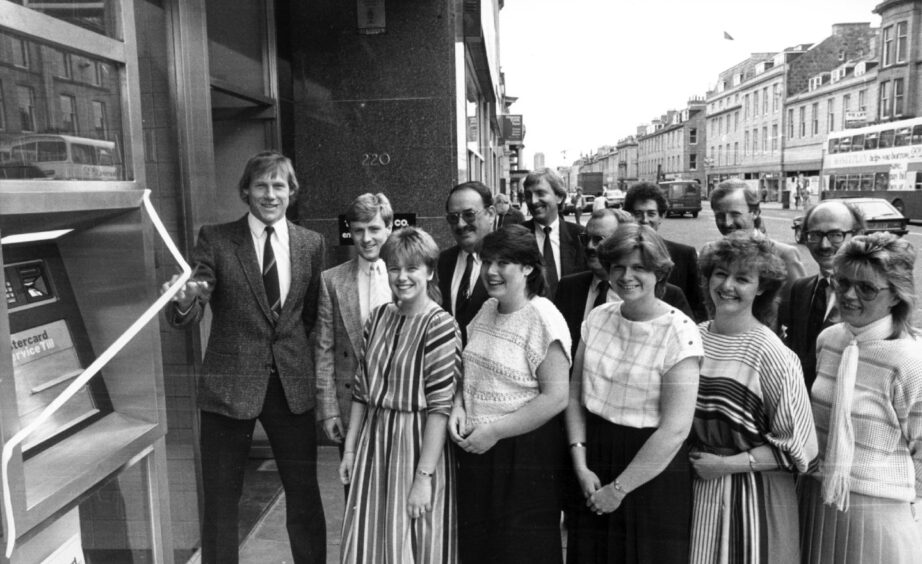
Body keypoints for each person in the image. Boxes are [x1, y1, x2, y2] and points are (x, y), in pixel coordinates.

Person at [162, 151, 326, 564]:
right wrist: (183, 300)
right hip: (229, 385)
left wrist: (290, 355)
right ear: (245, 192)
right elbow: (194, 298)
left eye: (279, 186)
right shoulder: (215, 239)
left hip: (291, 385)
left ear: (292, 192)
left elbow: (310, 313)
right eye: (261, 186)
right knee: (221, 498)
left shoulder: (311, 243)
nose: (270, 194)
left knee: (304, 492)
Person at [565, 223, 702, 564]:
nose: (627, 276)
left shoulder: (679, 332)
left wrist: (619, 489)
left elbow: (675, 430)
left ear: (659, 272)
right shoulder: (597, 318)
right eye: (619, 267)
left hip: (649, 471)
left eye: (639, 267)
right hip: (594, 462)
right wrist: (580, 464)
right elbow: (574, 395)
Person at [689, 232, 817, 563]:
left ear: (761, 287)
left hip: (752, 494)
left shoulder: (771, 353)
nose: (727, 285)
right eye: (720, 273)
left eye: (742, 278)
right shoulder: (692, 337)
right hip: (694, 487)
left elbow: (800, 446)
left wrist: (725, 465)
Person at [449, 224, 571, 564]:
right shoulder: (488, 309)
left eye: (503, 263)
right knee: (481, 550)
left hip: (523, 457)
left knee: (520, 551)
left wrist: (494, 431)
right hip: (479, 451)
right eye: (487, 261)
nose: (491, 271)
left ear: (528, 267)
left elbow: (556, 397)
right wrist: (459, 406)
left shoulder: (543, 318)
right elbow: (469, 370)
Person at [339, 227, 462, 563]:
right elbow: (361, 392)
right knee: (367, 539)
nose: (402, 277)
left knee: (414, 539)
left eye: (412, 268)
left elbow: (440, 408)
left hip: (417, 445)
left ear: (430, 272)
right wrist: (350, 450)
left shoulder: (440, 325)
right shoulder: (377, 318)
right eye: (394, 268)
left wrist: (423, 478)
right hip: (373, 444)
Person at [800, 232, 922, 564]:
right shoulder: (829, 340)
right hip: (817, 499)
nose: (850, 295)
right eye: (842, 283)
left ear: (896, 295)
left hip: (877, 513)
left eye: (867, 288)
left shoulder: (911, 360)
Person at [554, 207, 692, 360]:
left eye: (599, 239)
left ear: (624, 242)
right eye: (585, 239)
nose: (590, 246)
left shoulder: (670, 297)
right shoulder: (568, 287)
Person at [315, 193, 393, 457]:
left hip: (401, 404)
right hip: (351, 406)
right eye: (359, 231)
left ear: (389, 228)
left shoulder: (408, 275)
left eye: (374, 229)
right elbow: (325, 349)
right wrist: (329, 411)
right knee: (355, 488)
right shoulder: (332, 280)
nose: (367, 238)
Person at [779, 200, 865, 392]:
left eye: (836, 235)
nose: (824, 245)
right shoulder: (800, 288)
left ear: (857, 235)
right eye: (815, 235)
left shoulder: (871, 296)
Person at [624, 182, 707, 321]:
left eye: (651, 213)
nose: (645, 220)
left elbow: (697, 307)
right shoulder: (620, 256)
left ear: (661, 216)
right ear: (629, 215)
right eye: (638, 213)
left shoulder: (684, 255)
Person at [708, 178, 806, 284]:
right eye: (720, 216)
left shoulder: (785, 255)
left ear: (755, 212)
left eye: (735, 214)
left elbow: (801, 297)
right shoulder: (710, 252)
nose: (727, 223)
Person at [438, 181, 496, 344]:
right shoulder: (441, 262)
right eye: (453, 217)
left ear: (490, 214)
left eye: (469, 215)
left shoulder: (513, 263)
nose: (461, 224)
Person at [522, 168, 587, 298]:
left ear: (559, 196)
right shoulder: (517, 236)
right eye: (528, 195)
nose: (533, 201)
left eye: (540, 193)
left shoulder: (580, 236)